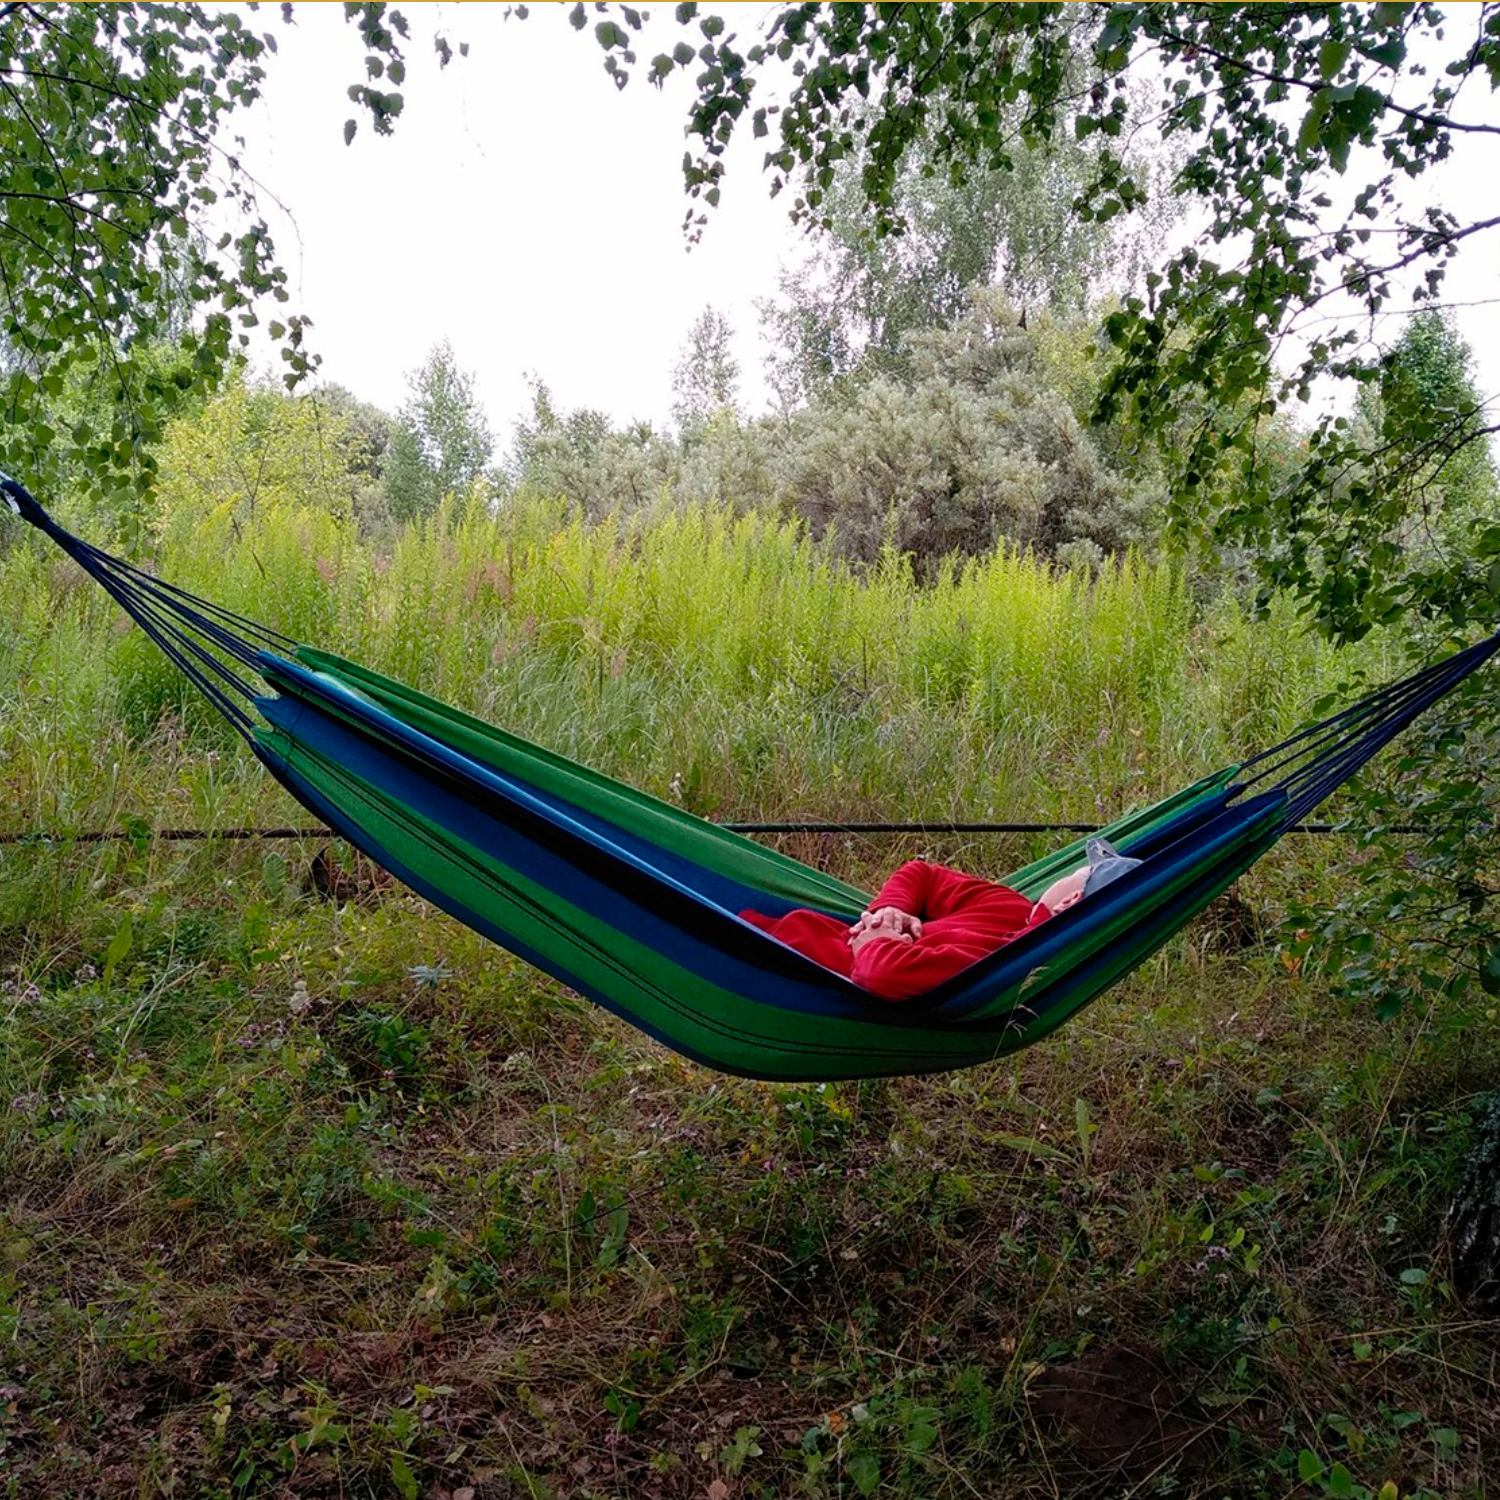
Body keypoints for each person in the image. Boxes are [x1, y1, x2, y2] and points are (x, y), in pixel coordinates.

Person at [742, 838, 1142, 1001]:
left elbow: (881, 975)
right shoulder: (1010, 907)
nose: (1066, 874)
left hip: (755, 963)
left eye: (1076, 873)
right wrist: (891, 910)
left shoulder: (1004, 965)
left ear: (1070, 900)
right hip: (751, 929)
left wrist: (875, 941)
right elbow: (923, 874)